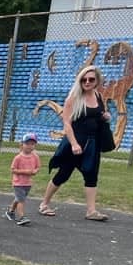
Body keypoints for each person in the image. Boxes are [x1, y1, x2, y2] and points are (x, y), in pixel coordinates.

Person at [39, 65, 112, 221]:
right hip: (76, 142)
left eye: (91, 79)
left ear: (97, 80)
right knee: (63, 174)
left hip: (93, 143)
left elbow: (97, 115)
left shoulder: (98, 96)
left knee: (91, 175)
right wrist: (73, 144)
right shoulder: (73, 98)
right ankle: (44, 204)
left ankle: (91, 211)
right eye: (84, 79)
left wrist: (105, 116)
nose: (87, 82)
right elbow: (67, 123)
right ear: (79, 81)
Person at [5, 132, 41, 226]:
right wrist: (25, 172)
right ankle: (21, 217)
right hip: (18, 183)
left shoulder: (35, 156)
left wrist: (35, 171)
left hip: (28, 183)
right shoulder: (18, 157)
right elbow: (13, 170)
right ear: (22, 144)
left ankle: (10, 211)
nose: (30, 146)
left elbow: (38, 167)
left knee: (19, 198)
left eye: (32, 144)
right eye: (27, 144)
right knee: (21, 200)